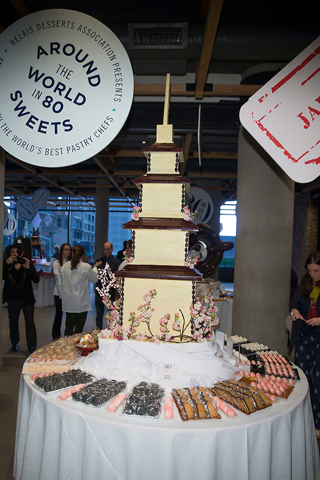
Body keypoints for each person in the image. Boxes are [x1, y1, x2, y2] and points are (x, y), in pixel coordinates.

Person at [289, 252, 320, 439]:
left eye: (316, 271)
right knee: (302, 378)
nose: (313, 274)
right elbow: (294, 301)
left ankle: (316, 423)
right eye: (310, 271)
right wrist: (293, 310)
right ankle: (300, 419)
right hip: (303, 335)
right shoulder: (306, 282)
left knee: (318, 380)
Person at [2, 243, 39, 354]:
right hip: (13, 298)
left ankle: (32, 348)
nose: (15, 255)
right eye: (12, 252)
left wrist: (28, 268)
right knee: (13, 322)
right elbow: (2, 277)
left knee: (30, 323)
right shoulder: (7, 265)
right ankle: (14, 343)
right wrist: (5, 265)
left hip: (27, 298)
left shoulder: (26, 263)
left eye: (17, 252)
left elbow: (36, 279)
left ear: (21, 253)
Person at [61, 245, 102, 336]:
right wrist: (95, 268)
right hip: (81, 304)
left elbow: (62, 283)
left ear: (72, 253)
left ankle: (66, 347)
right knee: (78, 331)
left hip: (68, 302)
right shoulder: (86, 267)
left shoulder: (65, 266)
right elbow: (94, 279)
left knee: (68, 328)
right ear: (83, 255)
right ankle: (76, 348)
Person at [95, 242, 120, 330]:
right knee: (99, 314)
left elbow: (115, 276)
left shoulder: (116, 261)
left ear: (112, 250)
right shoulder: (99, 261)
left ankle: (112, 331)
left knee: (111, 314)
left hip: (111, 292)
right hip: (100, 292)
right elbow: (95, 275)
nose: (105, 251)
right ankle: (98, 331)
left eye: (107, 249)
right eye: (104, 249)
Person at [51, 243, 72, 341]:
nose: (68, 251)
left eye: (69, 250)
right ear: (62, 251)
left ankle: (68, 334)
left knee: (69, 315)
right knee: (58, 314)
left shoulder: (72, 262)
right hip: (59, 292)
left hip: (69, 293)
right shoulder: (57, 262)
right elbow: (57, 276)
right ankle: (55, 335)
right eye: (65, 249)